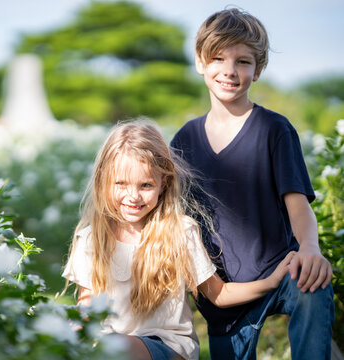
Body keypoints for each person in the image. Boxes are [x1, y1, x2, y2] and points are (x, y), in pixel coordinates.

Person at [170, 8, 335, 360]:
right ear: (200, 63)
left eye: (243, 62)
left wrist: (310, 248)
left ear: (257, 70)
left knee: (313, 286)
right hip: (223, 295)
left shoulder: (274, 130)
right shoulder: (184, 140)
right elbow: (168, 215)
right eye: (217, 58)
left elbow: (298, 204)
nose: (229, 71)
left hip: (282, 269)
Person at [62, 121, 295, 360]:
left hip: (168, 346)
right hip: (107, 344)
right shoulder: (91, 238)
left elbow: (219, 294)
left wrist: (272, 281)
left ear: (163, 183)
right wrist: (75, 329)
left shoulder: (179, 232)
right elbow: (87, 301)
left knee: (116, 348)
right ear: (104, 180)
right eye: (120, 184)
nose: (133, 196)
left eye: (146, 185)